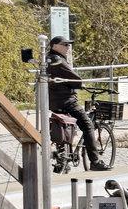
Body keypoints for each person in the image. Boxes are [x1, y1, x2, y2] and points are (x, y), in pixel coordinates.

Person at [45, 36, 109, 171]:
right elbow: (74, 78)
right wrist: (80, 84)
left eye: (69, 45)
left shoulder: (50, 59)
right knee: (87, 125)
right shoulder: (57, 60)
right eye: (65, 45)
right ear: (55, 46)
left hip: (54, 101)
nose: (68, 47)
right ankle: (95, 161)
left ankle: (63, 161)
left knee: (64, 128)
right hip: (67, 101)